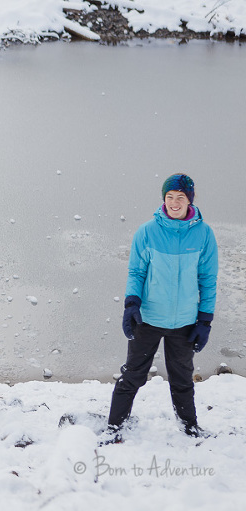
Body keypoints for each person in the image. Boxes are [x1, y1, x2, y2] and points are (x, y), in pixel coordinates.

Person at [107, 173, 218, 441]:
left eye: (180, 197)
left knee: (182, 380)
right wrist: (131, 305)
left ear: (189, 200)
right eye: (169, 197)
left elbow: (208, 280)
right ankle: (113, 428)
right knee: (132, 376)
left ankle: (189, 427)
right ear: (163, 199)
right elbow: (136, 272)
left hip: (185, 322)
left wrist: (204, 321)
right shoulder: (147, 232)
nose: (174, 203)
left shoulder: (204, 235)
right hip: (149, 319)